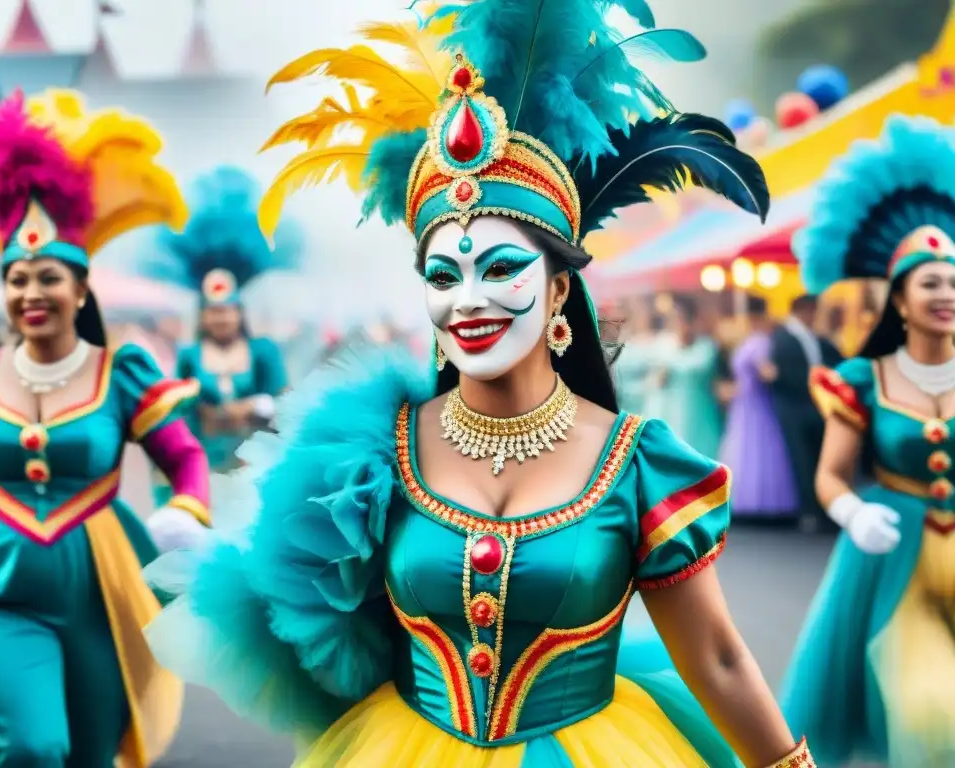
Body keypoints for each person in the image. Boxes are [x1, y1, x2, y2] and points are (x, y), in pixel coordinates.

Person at [144, 2, 816, 766]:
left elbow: (718, 657)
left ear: (560, 292)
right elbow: (295, 622)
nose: (468, 299)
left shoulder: (637, 463)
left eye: (500, 269)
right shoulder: (374, 453)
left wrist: (791, 764)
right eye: (443, 275)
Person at [0, 92, 210, 767]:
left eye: (47, 277)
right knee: (35, 747)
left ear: (80, 289)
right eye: (17, 278)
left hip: (101, 592)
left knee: (87, 754)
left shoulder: (123, 374)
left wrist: (187, 508)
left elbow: (186, 458)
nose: (31, 292)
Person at [780, 115, 955, 766]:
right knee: (929, 711)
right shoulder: (862, 379)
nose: (948, 294)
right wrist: (853, 511)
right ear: (901, 303)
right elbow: (831, 474)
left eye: (954, 281)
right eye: (931, 283)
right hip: (895, 562)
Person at [139, 167, 295, 505]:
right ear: (203, 315)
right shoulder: (189, 356)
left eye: (228, 310)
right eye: (214, 311)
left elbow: (286, 404)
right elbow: (178, 415)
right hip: (205, 467)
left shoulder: (263, 352)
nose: (221, 318)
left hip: (255, 466)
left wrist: (260, 406)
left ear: (239, 313)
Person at [718, 296, 799, 519]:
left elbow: (768, 372)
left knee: (756, 450)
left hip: (755, 404)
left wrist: (770, 374)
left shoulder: (761, 342)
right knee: (747, 450)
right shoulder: (751, 340)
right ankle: (747, 500)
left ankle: (759, 502)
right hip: (744, 404)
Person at [767, 295, 842, 530]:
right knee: (801, 459)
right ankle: (809, 511)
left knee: (819, 456)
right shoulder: (781, 337)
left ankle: (824, 508)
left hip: (815, 407)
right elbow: (783, 375)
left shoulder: (814, 337)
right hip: (794, 407)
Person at [651, 295, 724, 458]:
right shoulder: (663, 346)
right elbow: (657, 382)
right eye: (675, 320)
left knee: (703, 452)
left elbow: (714, 380)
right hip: (673, 410)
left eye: (683, 319)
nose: (680, 324)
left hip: (701, 410)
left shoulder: (706, 347)